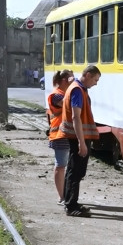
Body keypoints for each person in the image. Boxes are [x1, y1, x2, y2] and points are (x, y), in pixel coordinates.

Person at [56, 65, 101, 217]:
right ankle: (71, 206)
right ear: (87, 75)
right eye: (95, 79)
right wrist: (82, 143)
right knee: (75, 172)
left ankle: (72, 203)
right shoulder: (77, 90)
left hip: (77, 136)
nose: (96, 83)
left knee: (74, 171)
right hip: (77, 137)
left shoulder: (77, 88)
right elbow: (76, 117)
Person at [46, 69, 75, 206]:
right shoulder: (56, 95)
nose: (73, 81)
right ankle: (61, 197)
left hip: (67, 135)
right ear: (64, 80)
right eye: (71, 79)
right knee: (61, 166)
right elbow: (68, 103)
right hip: (59, 135)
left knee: (67, 166)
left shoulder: (64, 93)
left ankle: (66, 195)